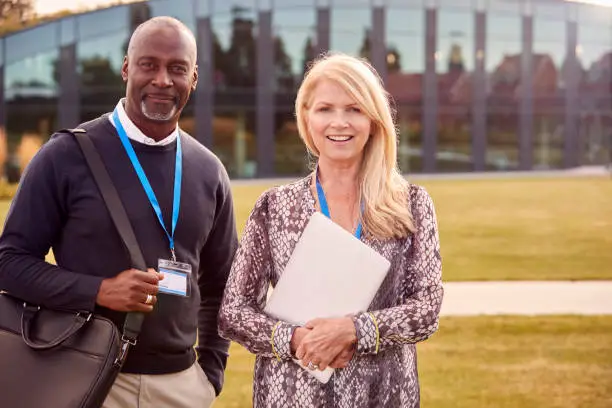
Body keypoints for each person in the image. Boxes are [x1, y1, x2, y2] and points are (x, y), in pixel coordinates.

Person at [0, 16, 237, 408]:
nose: (162, 79)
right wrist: (99, 291)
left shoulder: (208, 170)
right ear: (127, 68)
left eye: (177, 68)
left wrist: (210, 373)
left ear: (194, 78)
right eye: (149, 64)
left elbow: (223, 285)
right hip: (86, 379)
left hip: (182, 387)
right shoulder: (65, 156)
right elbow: (9, 262)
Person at [218, 53, 444, 407]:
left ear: (373, 120)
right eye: (325, 109)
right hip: (292, 394)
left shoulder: (411, 204)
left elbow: (427, 309)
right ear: (306, 118)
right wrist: (293, 339)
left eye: (354, 109)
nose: (339, 122)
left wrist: (354, 330)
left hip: (382, 394)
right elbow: (234, 311)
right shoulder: (274, 207)